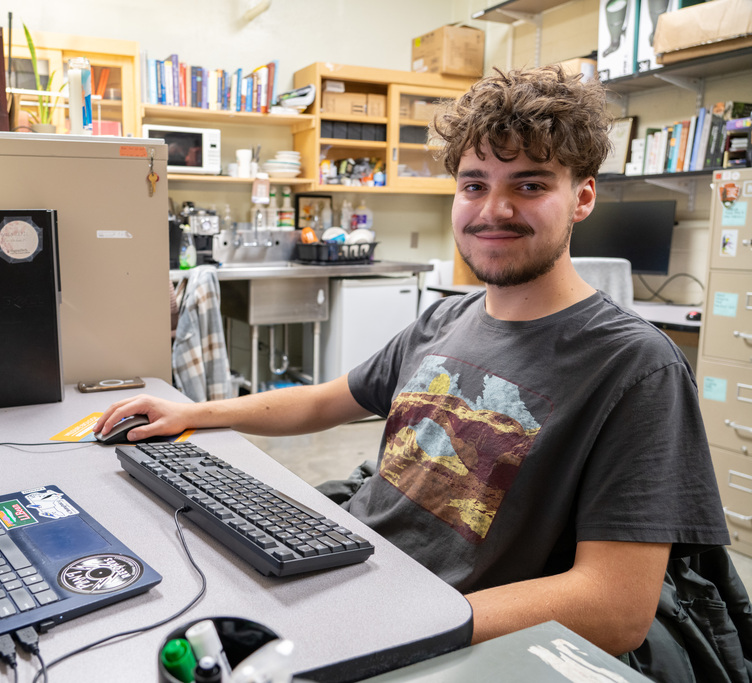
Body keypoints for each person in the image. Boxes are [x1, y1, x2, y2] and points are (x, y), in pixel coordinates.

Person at [94, 66, 729, 657]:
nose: (493, 211)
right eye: (474, 185)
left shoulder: (636, 367)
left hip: (431, 627)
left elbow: (616, 607)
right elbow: (325, 399)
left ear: (583, 197)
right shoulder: (447, 319)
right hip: (350, 571)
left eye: (530, 185)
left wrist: (399, 623)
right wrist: (192, 412)